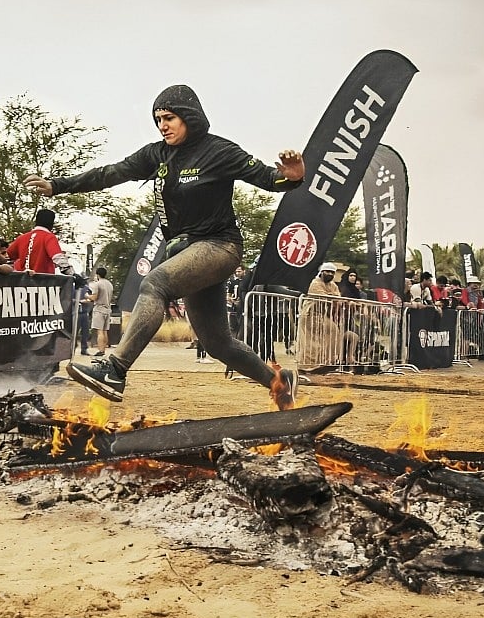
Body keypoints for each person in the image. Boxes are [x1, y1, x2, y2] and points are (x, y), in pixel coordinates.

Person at [24, 84, 303, 409]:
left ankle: (115, 369)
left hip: (220, 247)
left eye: (169, 118)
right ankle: (280, 383)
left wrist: (292, 176)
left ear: (189, 117)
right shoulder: (156, 154)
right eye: (158, 119)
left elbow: (271, 179)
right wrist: (58, 185)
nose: (163, 126)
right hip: (189, 256)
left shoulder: (219, 151)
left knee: (154, 283)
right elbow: (110, 173)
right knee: (217, 344)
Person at [6, 209, 76, 275]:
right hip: (43, 282)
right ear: (52, 223)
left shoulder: (21, 238)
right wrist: (72, 274)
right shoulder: (48, 237)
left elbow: (7, 255)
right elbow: (57, 257)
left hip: (22, 283)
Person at [85, 267, 114, 356]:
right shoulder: (109, 284)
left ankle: (100, 351)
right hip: (108, 309)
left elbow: (94, 297)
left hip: (99, 309)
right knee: (105, 331)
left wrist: (87, 296)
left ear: (97, 275)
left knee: (100, 331)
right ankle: (104, 350)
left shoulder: (98, 284)